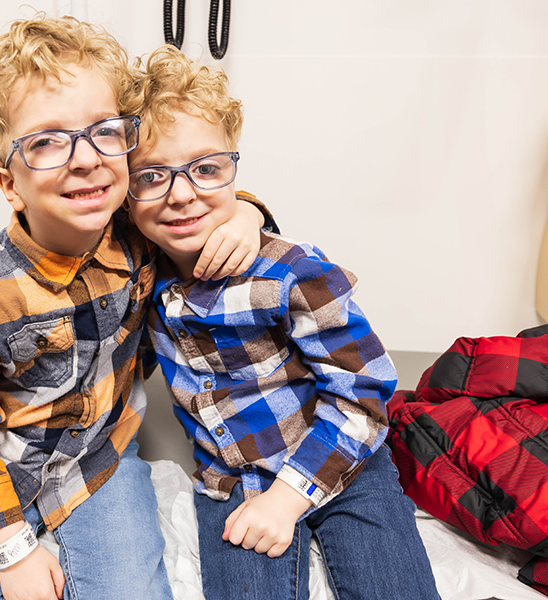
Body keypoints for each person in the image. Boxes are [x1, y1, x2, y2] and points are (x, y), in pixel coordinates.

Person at [0, 16, 270, 600]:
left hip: (104, 458)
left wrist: (249, 212)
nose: (85, 157)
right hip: (2, 468)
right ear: (9, 184)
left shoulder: (135, 232)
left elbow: (199, 193)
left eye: (104, 130)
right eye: (47, 141)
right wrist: (13, 550)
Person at [122, 45, 442, 600]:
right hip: (232, 481)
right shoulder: (138, 277)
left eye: (205, 169)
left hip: (342, 460)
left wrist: (289, 498)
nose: (181, 193)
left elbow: (364, 393)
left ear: (232, 168)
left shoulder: (290, 271)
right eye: (150, 175)